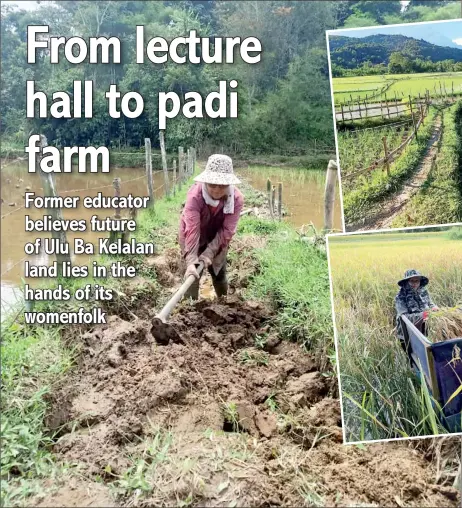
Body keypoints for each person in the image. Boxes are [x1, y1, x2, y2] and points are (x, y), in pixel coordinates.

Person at [179, 154, 244, 300]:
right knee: (193, 273)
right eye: (212, 185)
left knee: (219, 272)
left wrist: (210, 252)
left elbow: (227, 230)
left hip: (219, 238)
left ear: (229, 184)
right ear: (205, 182)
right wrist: (191, 260)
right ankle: (190, 309)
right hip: (193, 235)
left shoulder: (236, 199)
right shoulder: (195, 196)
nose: (216, 190)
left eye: (222, 185)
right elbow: (192, 229)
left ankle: (223, 301)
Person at [395, 269, 439, 354]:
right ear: (407, 282)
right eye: (412, 281)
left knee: (426, 353)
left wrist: (434, 308)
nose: (415, 283)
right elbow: (404, 317)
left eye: (417, 281)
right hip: (407, 332)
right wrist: (423, 315)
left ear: (420, 281)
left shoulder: (423, 291)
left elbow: (430, 303)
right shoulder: (400, 296)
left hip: (423, 327)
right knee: (413, 357)